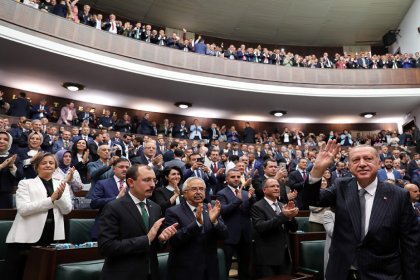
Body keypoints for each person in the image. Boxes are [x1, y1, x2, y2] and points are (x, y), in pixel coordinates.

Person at [302, 140, 420, 280]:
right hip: (341, 273)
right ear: (350, 166)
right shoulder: (341, 187)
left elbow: (410, 245)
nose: (362, 163)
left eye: (368, 159)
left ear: (379, 163)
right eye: (356, 160)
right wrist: (317, 169)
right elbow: (310, 199)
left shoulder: (399, 196)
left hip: (383, 275)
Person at [98, 165, 178, 280]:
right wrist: (146, 239)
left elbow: (154, 246)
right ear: (131, 182)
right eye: (146, 180)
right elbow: (106, 247)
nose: (152, 185)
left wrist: (161, 239)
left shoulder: (155, 207)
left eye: (154, 180)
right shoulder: (113, 207)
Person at [5, 153, 72, 280]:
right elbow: (23, 209)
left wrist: (58, 198)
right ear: (37, 167)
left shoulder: (62, 184)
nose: (48, 165)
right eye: (44, 163)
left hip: (52, 235)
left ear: (55, 167)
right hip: (26, 237)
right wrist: (51, 199)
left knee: (45, 273)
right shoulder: (26, 184)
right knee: (18, 273)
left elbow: (67, 210)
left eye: (51, 163)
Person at [163, 177, 228, 280]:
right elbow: (174, 240)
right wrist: (197, 224)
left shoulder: (211, 209)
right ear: (184, 193)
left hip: (210, 269)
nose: (198, 192)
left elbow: (225, 235)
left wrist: (215, 222)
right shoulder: (173, 212)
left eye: (201, 189)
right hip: (185, 270)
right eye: (194, 189)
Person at [251, 178, 299, 278]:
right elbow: (261, 227)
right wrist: (283, 216)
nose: (276, 188)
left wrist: (290, 217)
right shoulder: (257, 206)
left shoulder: (282, 205)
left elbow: (294, 228)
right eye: (272, 186)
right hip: (267, 258)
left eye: (277, 186)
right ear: (264, 190)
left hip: (285, 257)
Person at [217, 169, 254, 280]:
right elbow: (223, 211)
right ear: (227, 179)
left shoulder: (245, 192)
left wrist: (252, 199)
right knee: (225, 267)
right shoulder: (222, 193)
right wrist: (237, 201)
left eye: (238, 176)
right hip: (230, 235)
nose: (236, 179)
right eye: (233, 177)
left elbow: (252, 211)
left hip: (246, 235)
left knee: (245, 268)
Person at [90, 158, 130, 240]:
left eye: (127, 167)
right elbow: (94, 203)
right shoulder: (102, 183)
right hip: (106, 229)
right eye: (121, 167)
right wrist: (117, 198)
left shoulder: (133, 185)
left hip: (127, 230)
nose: (125, 169)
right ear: (114, 169)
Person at [0, 131, 23, 208]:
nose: (1, 141)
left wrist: (11, 166)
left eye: (6, 139)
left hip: (5, 196)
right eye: (0, 138)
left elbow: (19, 176)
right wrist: (2, 166)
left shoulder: (14, 158)